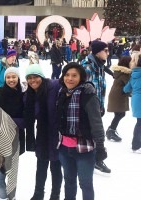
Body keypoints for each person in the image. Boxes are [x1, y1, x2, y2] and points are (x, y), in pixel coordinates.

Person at [56, 62, 107, 200]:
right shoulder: (61, 93)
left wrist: (100, 146)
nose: (70, 79)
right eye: (67, 75)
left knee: (85, 184)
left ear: (81, 78)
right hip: (64, 149)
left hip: (84, 149)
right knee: (69, 182)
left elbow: (97, 123)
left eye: (74, 75)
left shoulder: (88, 95)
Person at [23, 64, 62, 200]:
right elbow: (27, 115)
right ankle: (38, 194)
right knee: (41, 166)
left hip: (57, 134)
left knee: (56, 167)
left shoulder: (54, 86)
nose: (33, 81)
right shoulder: (29, 95)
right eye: (30, 78)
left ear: (41, 76)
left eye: (36, 77)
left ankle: (55, 195)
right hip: (42, 135)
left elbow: (72, 82)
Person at [82, 40, 113, 173]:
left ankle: (93, 158)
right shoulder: (88, 67)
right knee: (94, 133)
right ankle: (96, 159)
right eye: (105, 51)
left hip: (96, 106)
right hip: (88, 108)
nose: (108, 53)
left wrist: (101, 105)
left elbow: (99, 88)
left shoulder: (99, 66)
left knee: (92, 133)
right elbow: (83, 90)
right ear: (97, 52)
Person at [0, 67, 25, 155]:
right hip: (3, 134)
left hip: (18, 133)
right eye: (8, 77)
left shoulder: (23, 93)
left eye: (13, 77)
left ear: (18, 78)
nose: (11, 80)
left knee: (15, 158)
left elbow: (27, 113)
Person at [106, 56, 132, 142]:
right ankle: (111, 130)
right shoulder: (125, 74)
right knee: (120, 114)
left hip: (116, 95)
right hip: (118, 96)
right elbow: (129, 86)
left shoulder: (120, 72)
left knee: (119, 114)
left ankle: (111, 129)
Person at [123, 54, 141, 153]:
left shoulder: (134, 74)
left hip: (135, 100)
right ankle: (136, 145)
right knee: (140, 124)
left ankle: (136, 144)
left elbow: (126, 89)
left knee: (139, 123)